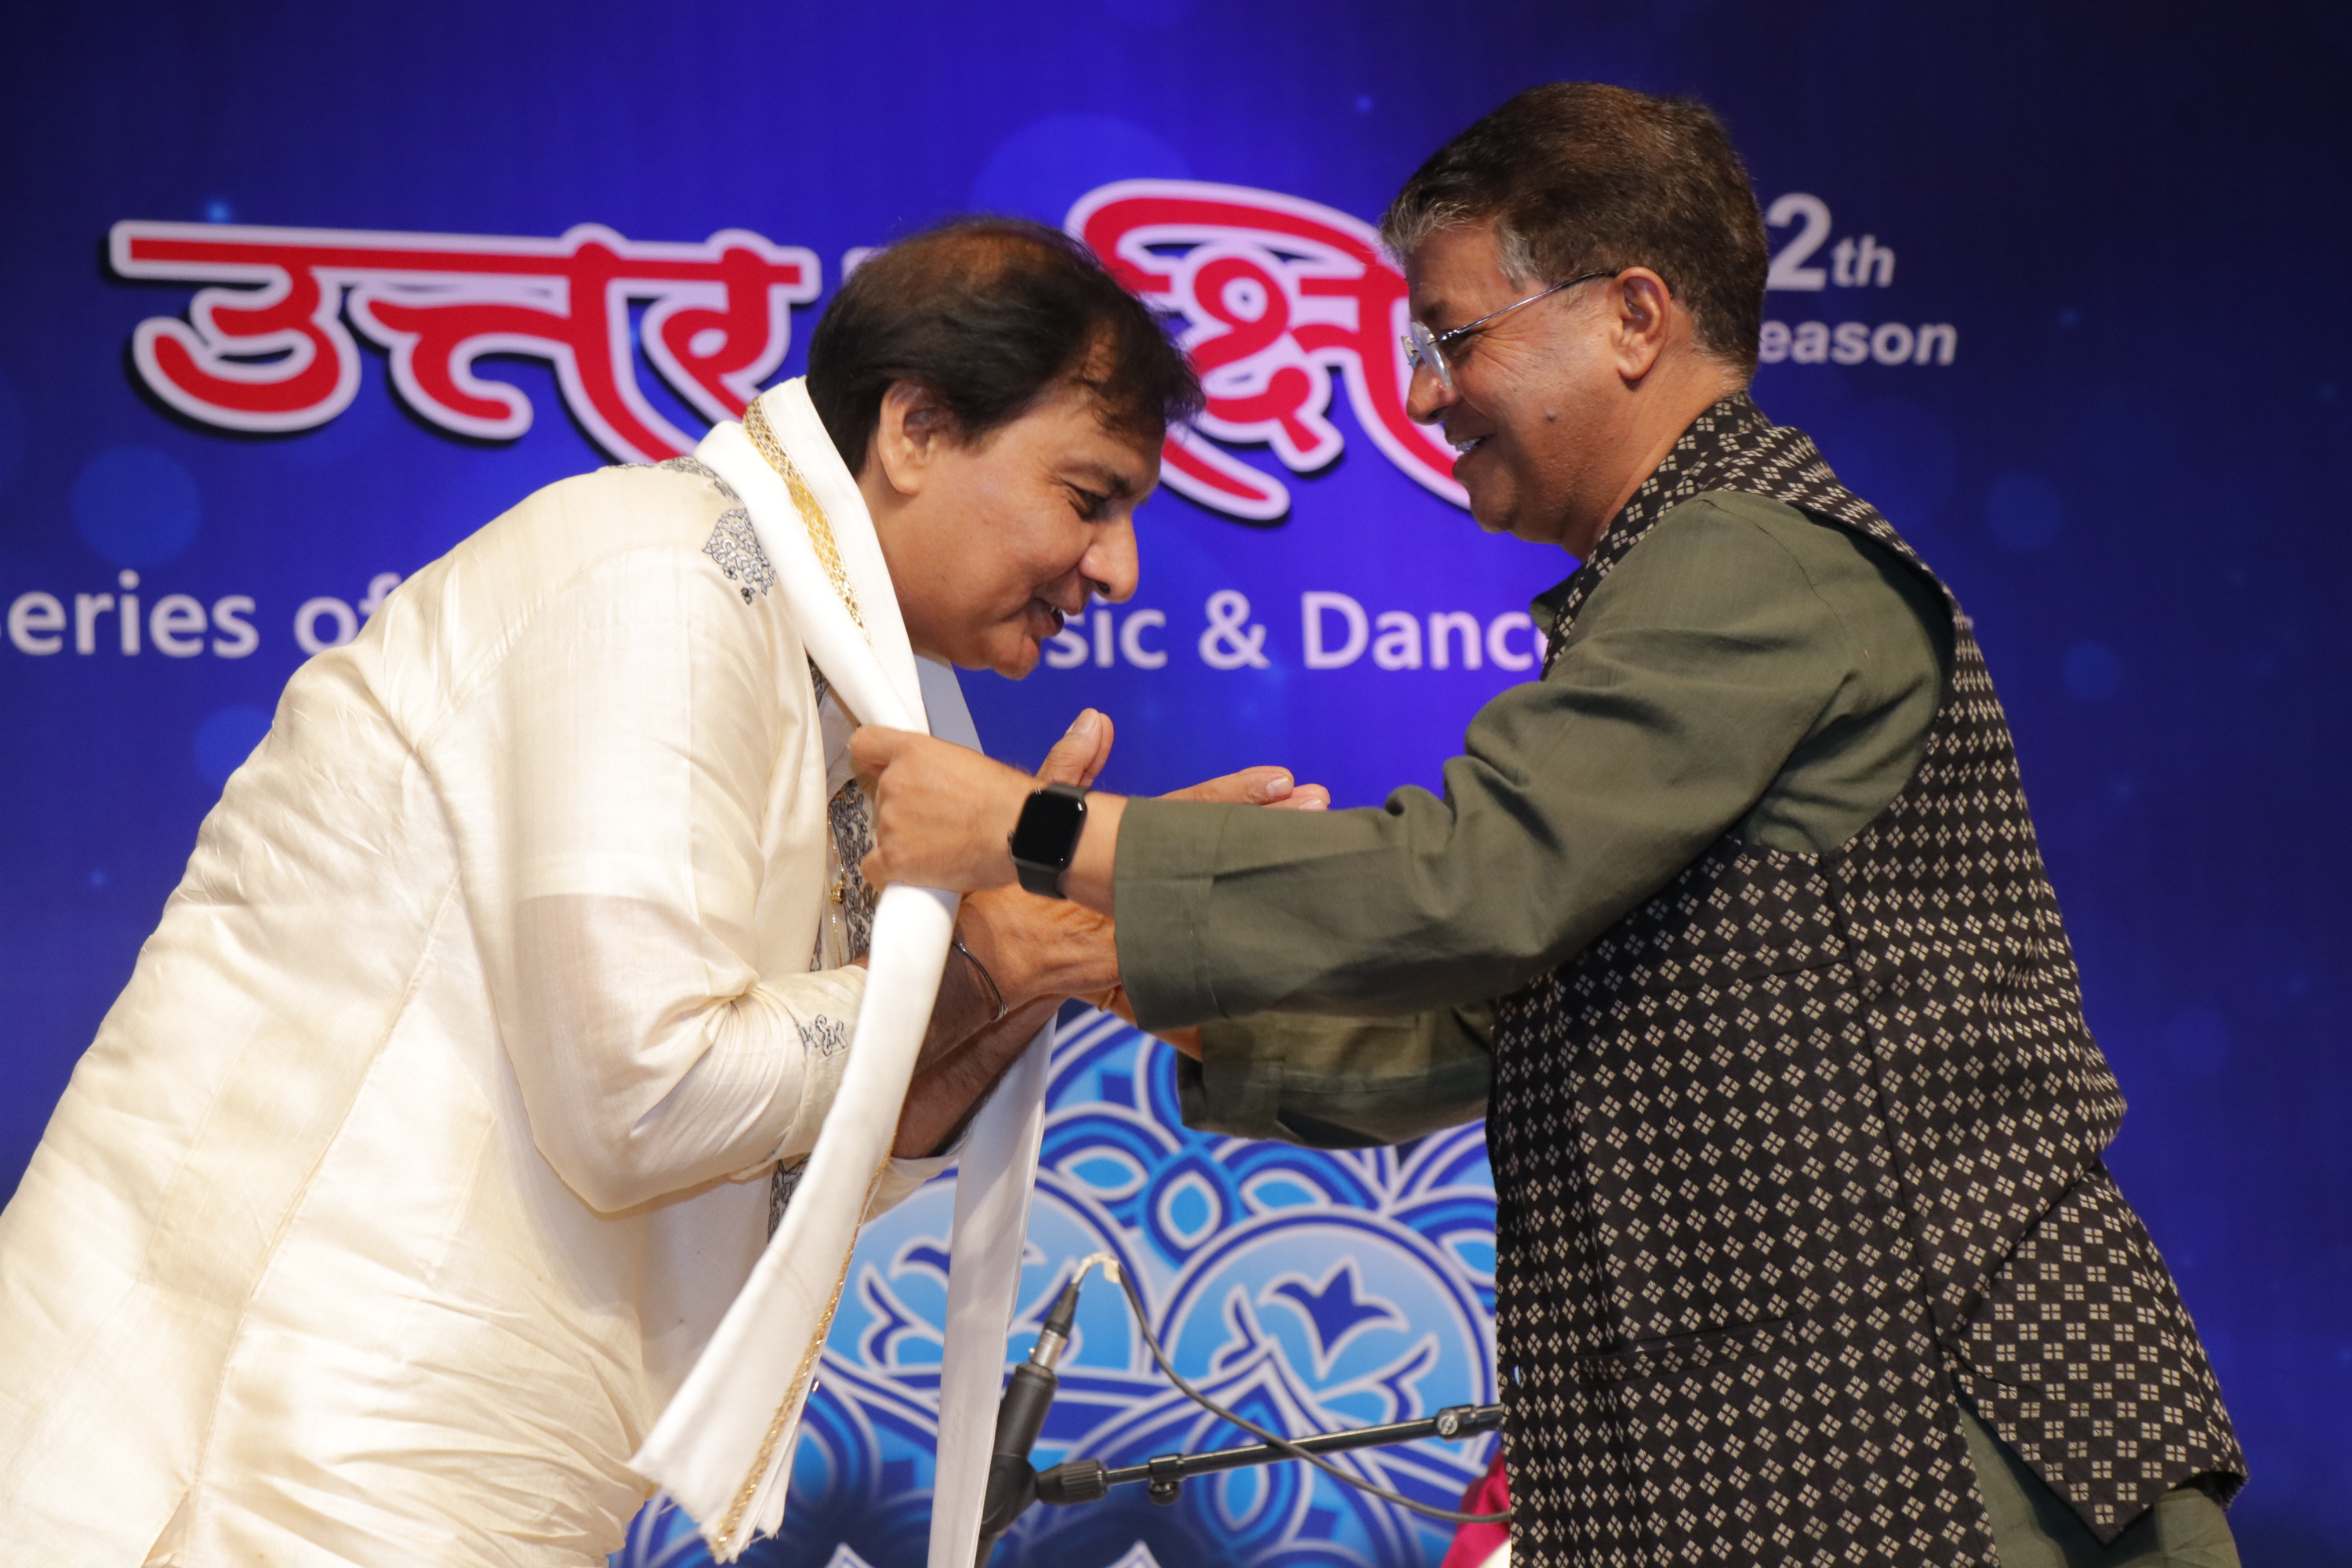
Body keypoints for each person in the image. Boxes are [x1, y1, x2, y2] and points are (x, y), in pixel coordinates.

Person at [855, 88, 2247, 1568]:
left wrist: (1031, 828)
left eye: (1452, 336)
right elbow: (1493, 1022)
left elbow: (1472, 882)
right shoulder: (1675, 581)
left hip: (1938, 1449)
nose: (1425, 395)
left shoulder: (1749, 555)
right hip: (1787, 1461)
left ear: (1633, 316)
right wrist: (1104, 956)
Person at [0, 217, 1277, 1568]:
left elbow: (784, 1147)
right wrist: (980, 965)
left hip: (448, 1471)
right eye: (1090, 497)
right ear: (914, 430)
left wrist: (1030, 970)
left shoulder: (846, 683)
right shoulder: (660, 578)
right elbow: (646, 1095)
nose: (1119, 568)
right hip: (261, 1452)